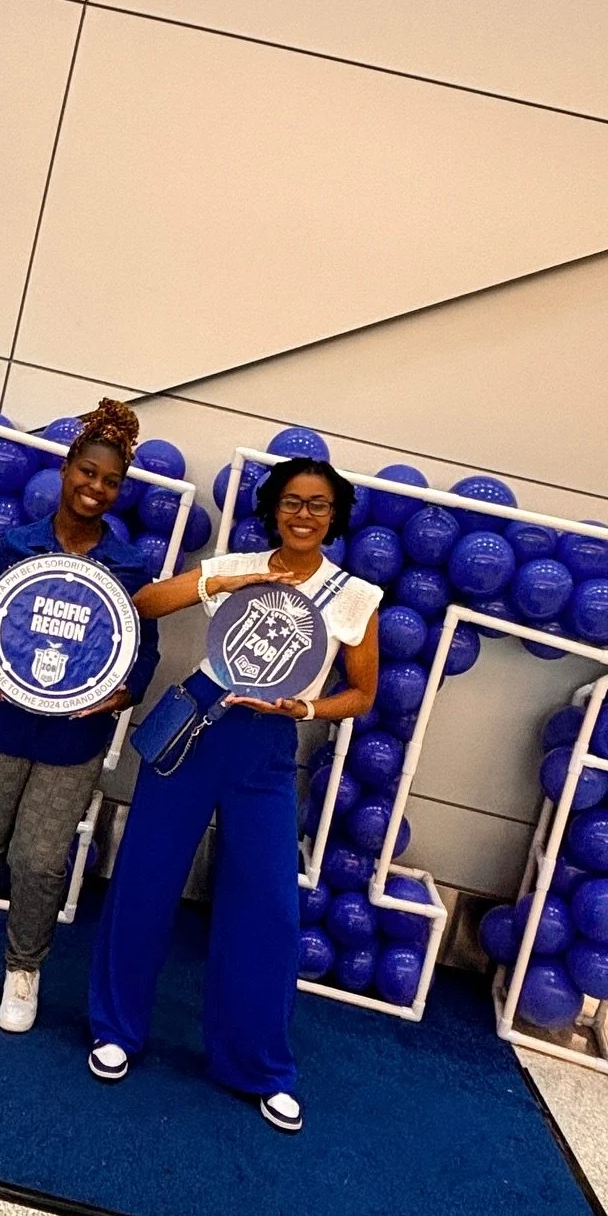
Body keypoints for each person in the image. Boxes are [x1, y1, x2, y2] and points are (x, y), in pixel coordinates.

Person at [86, 457, 380, 1132]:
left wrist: (302, 713)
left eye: (318, 505)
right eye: (292, 503)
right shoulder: (239, 563)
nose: (303, 515)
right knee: (144, 882)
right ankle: (115, 1029)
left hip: (269, 752)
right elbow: (145, 603)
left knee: (269, 909)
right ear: (274, 507)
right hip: (195, 727)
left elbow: (360, 693)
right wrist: (231, 577)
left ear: (334, 517)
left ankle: (258, 1066)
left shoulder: (354, 597)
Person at [0, 400, 159, 1034]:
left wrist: (123, 694)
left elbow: (142, 655)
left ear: (119, 491)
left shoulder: (129, 567)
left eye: (110, 481)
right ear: (66, 470)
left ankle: (24, 968)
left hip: (75, 735)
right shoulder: (15, 547)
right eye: (87, 472)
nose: (96, 487)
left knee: (39, 861)